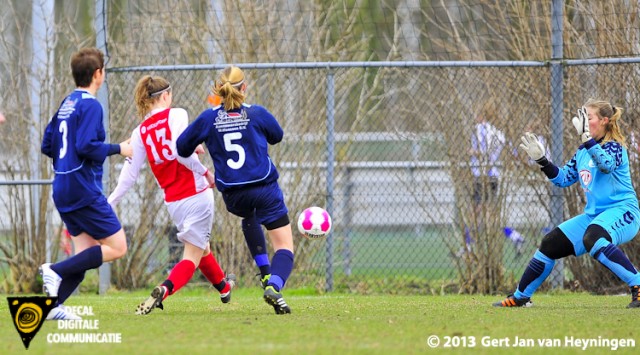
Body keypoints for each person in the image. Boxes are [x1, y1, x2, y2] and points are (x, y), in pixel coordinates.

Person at [107, 75, 235, 315]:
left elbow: (130, 175)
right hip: (197, 194)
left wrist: (110, 201)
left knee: (201, 246)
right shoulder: (177, 114)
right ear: (165, 96)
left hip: (174, 202)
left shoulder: (139, 131)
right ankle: (164, 289)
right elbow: (180, 152)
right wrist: (206, 172)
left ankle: (224, 288)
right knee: (191, 256)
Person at [494, 99, 640, 308]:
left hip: (624, 212)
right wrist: (542, 160)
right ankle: (521, 297)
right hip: (594, 217)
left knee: (593, 237)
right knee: (549, 244)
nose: (582, 122)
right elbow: (562, 178)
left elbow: (605, 165)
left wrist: (587, 139)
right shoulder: (583, 151)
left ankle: (638, 284)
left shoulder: (616, 147)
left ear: (605, 121)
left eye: (588, 118)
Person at [176, 65, 294, 315]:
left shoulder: (208, 118)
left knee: (248, 215)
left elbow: (181, 147)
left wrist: (201, 141)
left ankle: (264, 274)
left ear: (218, 90)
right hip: (264, 189)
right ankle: (274, 285)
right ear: (245, 88)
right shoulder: (257, 113)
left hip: (233, 195)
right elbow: (277, 136)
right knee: (284, 247)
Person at [40, 47, 133, 320]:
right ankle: (54, 270)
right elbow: (85, 146)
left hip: (63, 187)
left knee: (85, 256)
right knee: (118, 247)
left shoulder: (66, 104)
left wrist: (66, 159)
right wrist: (119, 148)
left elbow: (47, 145)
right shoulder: (91, 104)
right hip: (83, 189)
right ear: (98, 74)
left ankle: (52, 308)